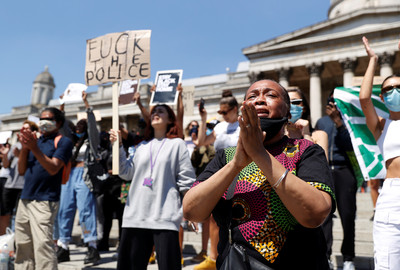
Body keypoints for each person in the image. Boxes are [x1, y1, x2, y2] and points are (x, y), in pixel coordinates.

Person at [183, 79, 335, 269]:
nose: (260, 100)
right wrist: (236, 164)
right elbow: (192, 210)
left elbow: (315, 213)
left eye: (271, 95)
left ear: (288, 112)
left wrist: (259, 154)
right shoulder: (226, 157)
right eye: (252, 96)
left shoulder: (306, 150)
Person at [110, 103, 196, 270]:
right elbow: (125, 173)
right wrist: (118, 146)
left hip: (164, 216)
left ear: (170, 119)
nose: (156, 113)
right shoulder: (140, 146)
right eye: (154, 111)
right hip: (135, 216)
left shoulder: (177, 144)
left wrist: (191, 209)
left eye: (161, 111)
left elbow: (186, 180)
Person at [359, 36, 400, 270]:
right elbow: (364, 98)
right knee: (387, 264)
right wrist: (373, 59)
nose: (394, 92)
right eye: (388, 89)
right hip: (392, 196)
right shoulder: (382, 126)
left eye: (399, 87)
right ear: (382, 97)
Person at [15, 107, 73, 270]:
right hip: (25, 199)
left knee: (42, 246)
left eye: (48, 119)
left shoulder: (63, 142)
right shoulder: (36, 141)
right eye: (41, 119)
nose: (43, 122)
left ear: (58, 122)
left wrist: (34, 148)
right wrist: (25, 148)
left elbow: (54, 168)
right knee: (23, 245)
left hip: (45, 201)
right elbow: (21, 170)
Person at [194, 90, 240, 270]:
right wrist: (203, 118)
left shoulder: (242, 126)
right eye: (219, 112)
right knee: (215, 217)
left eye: (224, 111)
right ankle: (213, 257)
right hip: (220, 174)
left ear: (235, 109)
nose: (221, 115)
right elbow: (201, 142)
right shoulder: (220, 127)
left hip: (241, 174)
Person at [56, 91, 101, 264]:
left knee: (85, 210)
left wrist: (86, 104)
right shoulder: (70, 141)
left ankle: (92, 246)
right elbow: (62, 127)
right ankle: (64, 245)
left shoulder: (92, 141)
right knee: (65, 210)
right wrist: (62, 106)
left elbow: (91, 125)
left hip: (84, 175)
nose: (80, 127)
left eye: (83, 125)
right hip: (68, 175)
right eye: (78, 125)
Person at [315, 92, 358, 270]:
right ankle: (326, 256)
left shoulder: (350, 121)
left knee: (348, 216)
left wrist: (339, 123)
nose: (332, 104)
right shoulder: (321, 122)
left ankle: (348, 258)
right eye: (330, 101)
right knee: (324, 217)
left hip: (344, 169)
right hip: (325, 170)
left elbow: (351, 145)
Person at [0, 121, 38, 235]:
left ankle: (18, 240)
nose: (24, 131)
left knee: (21, 215)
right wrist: (6, 154)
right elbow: (6, 165)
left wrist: (21, 155)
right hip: (10, 185)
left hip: (25, 186)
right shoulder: (15, 146)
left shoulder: (35, 146)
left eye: (27, 129)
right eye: (22, 128)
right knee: (5, 214)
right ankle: (5, 241)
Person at [286, 88, 328, 158]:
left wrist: (306, 134)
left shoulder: (319, 135)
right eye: (287, 103)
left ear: (304, 108)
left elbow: (320, 164)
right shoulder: (276, 136)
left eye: (296, 102)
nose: (291, 106)